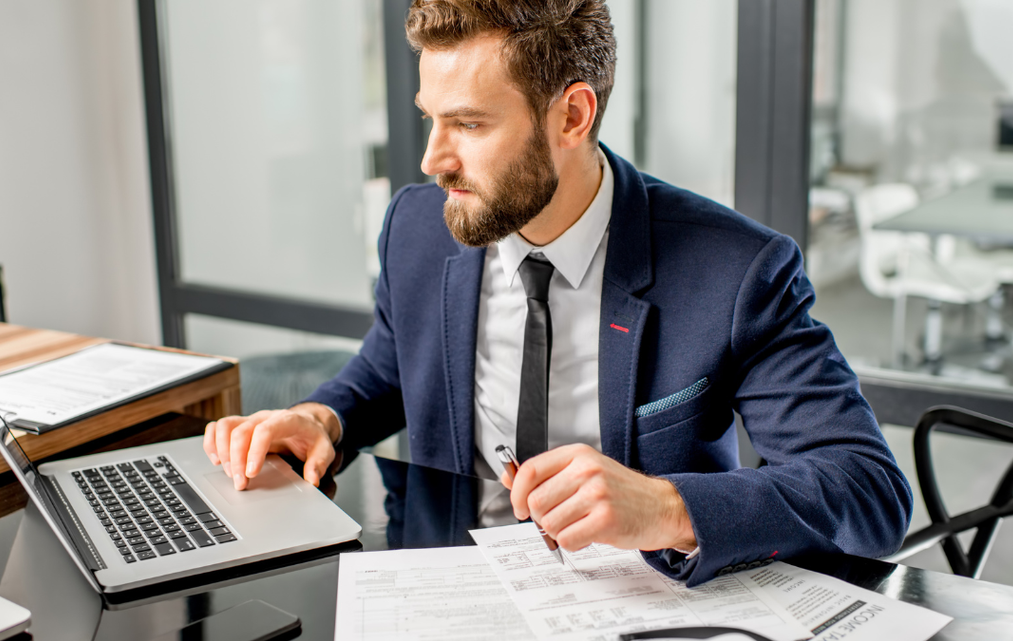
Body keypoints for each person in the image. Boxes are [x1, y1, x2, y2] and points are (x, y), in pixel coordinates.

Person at [203, 0, 912, 586]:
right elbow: (390, 364)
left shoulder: (735, 270)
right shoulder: (418, 227)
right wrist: (322, 416)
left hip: (640, 602)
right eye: (430, 117)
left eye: (469, 124)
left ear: (573, 115)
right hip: (443, 586)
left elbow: (868, 490)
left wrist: (665, 506)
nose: (432, 160)